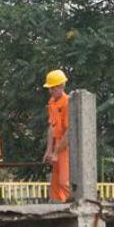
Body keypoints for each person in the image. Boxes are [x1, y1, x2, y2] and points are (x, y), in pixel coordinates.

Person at [42, 69, 70, 203]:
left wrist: (56, 152)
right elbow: (51, 128)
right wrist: (49, 151)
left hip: (66, 146)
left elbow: (69, 132)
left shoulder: (67, 102)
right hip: (58, 145)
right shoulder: (52, 102)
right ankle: (56, 208)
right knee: (56, 182)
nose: (50, 91)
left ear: (60, 86)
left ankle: (75, 208)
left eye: (52, 88)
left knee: (65, 181)